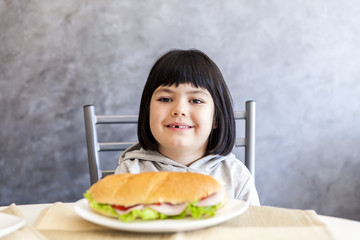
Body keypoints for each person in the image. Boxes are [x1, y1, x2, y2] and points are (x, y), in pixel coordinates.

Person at [115, 49, 260, 205]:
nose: (179, 110)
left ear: (216, 118)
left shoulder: (235, 176)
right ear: (147, 111)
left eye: (196, 100)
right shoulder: (129, 174)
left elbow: (252, 227)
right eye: (165, 98)